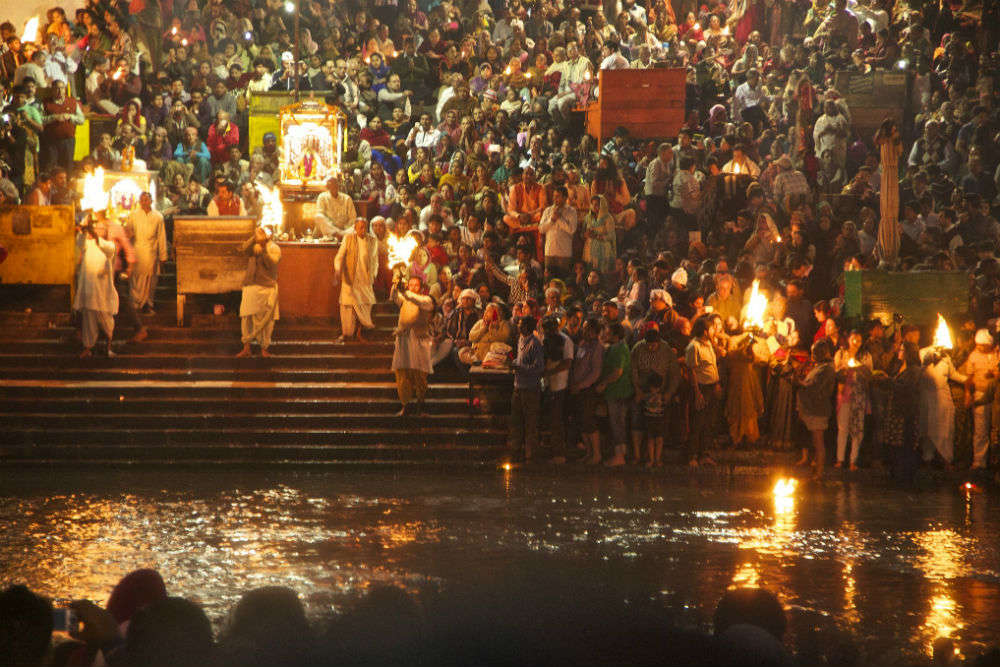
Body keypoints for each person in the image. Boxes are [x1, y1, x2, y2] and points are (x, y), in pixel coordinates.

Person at [73, 218, 119, 358]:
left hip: (102, 293)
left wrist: (95, 234)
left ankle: (108, 348)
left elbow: (105, 246)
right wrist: (82, 229)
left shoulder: (108, 245)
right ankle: (88, 348)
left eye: (100, 228)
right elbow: (79, 242)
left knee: (107, 322)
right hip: (88, 290)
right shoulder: (87, 243)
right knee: (88, 322)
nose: (97, 230)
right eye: (96, 228)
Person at [391, 274, 435, 415]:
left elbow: (413, 298)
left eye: (416, 285)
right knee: (402, 374)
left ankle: (421, 406)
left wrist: (405, 291)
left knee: (420, 375)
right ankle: (405, 405)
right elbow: (394, 296)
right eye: (410, 285)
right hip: (404, 340)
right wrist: (396, 283)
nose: (413, 287)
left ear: (422, 288)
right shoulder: (404, 299)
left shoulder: (426, 300)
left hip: (419, 341)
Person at [236, 226, 281, 358]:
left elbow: (272, 265)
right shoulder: (253, 245)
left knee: (267, 321)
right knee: (247, 318)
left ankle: (264, 348)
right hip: (250, 286)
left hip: (267, 288)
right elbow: (244, 249)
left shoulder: (274, 248)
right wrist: (255, 238)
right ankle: (246, 347)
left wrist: (263, 249)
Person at [796, 340, 837, 478]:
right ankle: (816, 467)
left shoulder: (827, 369)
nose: (812, 355)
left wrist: (800, 383)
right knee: (815, 441)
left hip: (817, 410)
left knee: (818, 442)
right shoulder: (821, 366)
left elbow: (815, 387)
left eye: (815, 352)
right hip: (811, 409)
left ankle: (819, 472)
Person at [833, 330, 873, 470]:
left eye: (859, 340)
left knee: (857, 429)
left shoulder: (866, 356)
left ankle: (853, 461)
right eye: (853, 339)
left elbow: (870, 375)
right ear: (848, 339)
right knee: (842, 428)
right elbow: (835, 373)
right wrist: (843, 370)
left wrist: (859, 367)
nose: (856, 342)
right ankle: (840, 459)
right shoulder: (841, 354)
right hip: (844, 394)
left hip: (859, 396)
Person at [334, 217, 379, 343]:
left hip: (365, 280)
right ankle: (347, 333)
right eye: (360, 227)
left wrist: (373, 275)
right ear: (355, 228)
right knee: (347, 306)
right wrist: (337, 270)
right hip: (350, 278)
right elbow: (339, 256)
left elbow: (375, 261)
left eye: (365, 227)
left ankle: (361, 333)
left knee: (365, 305)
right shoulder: (348, 239)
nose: (363, 230)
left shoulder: (372, 240)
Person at [685, 316, 721, 467]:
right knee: (697, 422)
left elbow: (711, 365)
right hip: (701, 388)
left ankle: (704, 454)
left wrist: (717, 383)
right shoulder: (694, 346)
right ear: (705, 331)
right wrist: (697, 393)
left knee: (708, 422)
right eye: (712, 328)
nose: (714, 330)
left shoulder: (709, 344)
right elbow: (691, 370)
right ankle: (692, 455)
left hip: (712, 387)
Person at [126, 192, 167, 322]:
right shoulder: (133, 215)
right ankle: (136, 303)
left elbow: (161, 237)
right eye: (142, 200)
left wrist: (163, 256)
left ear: (151, 201)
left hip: (151, 251)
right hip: (137, 250)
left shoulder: (158, 217)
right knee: (136, 279)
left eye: (146, 200)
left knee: (149, 279)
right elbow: (128, 231)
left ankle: (147, 304)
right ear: (139, 201)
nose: (144, 202)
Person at [597, 322, 633, 467]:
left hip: (619, 392)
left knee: (618, 423)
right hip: (613, 392)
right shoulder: (613, 348)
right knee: (615, 423)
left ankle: (620, 456)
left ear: (615, 335)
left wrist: (604, 383)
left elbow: (617, 372)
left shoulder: (620, 349)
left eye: (608, 332)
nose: (605, 334)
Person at [960, 329, 998, 470]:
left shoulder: (996, 353)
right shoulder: (973, 357)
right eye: (978, 344)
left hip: (995, 397)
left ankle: (993, 461)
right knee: (980, 430)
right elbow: (968, 379)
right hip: (980, 395)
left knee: (995, 429)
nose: (979, 347)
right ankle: (979, 462)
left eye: (982, 345)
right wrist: (968, 395)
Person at [509, 315, 544, 461]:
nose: (518, 327)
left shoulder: (535, 344)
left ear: (528, 327)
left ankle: (531, 453)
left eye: (521, 325)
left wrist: (519, 366)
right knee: (516, 419)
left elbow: (538, 367)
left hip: (530, 388)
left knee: (530, 421)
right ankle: (515, 449)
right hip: (518, 386)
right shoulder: (520, 340)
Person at [541, 315, 574, 464]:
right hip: (548, 384)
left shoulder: (565, 341)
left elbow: (567, 363)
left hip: (560, 385)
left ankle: (559, 454)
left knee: (557, 420)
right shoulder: (546, 340)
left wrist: (550, 372)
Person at [537, 185, 577, 278]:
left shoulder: (571, 211)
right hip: (550, 251)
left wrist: (559, 219)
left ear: (565, 197)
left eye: (558, 196)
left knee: (563, 279)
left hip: (564, 252)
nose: (555, 199)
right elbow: (541, 229)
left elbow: (572, 230)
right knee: (549, 279)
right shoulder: (548, 210)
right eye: (554, 196)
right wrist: (552, 220)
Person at [315, 174, 357, 239]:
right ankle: (338, 235)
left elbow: (353, 218)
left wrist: (343, 230)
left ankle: (340, 235)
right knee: (318, 217)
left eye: (335, 185)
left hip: (345, 230)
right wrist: (333, 230)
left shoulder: (347, 199)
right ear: (327, 187)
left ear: (338, 186)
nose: (333, 187)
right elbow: (320, 215)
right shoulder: (322, 197)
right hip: (329, 230)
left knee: (358, 225)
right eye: (331, 185)